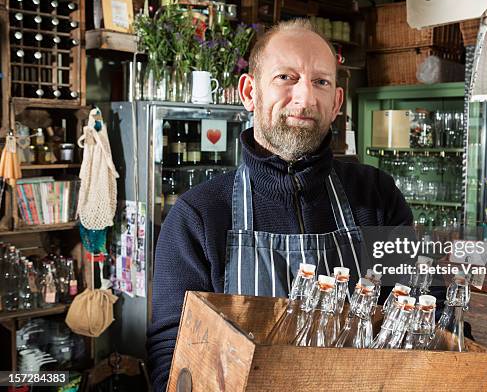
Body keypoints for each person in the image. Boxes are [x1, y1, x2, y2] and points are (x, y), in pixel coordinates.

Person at [147, 19, 414, 390]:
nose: (305, 99)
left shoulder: (377, 196)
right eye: (286, 77)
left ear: (336, 102)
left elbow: (420, 310)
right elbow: (172, 352)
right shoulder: (198, 216)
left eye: (321, 81)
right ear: (249, 92)